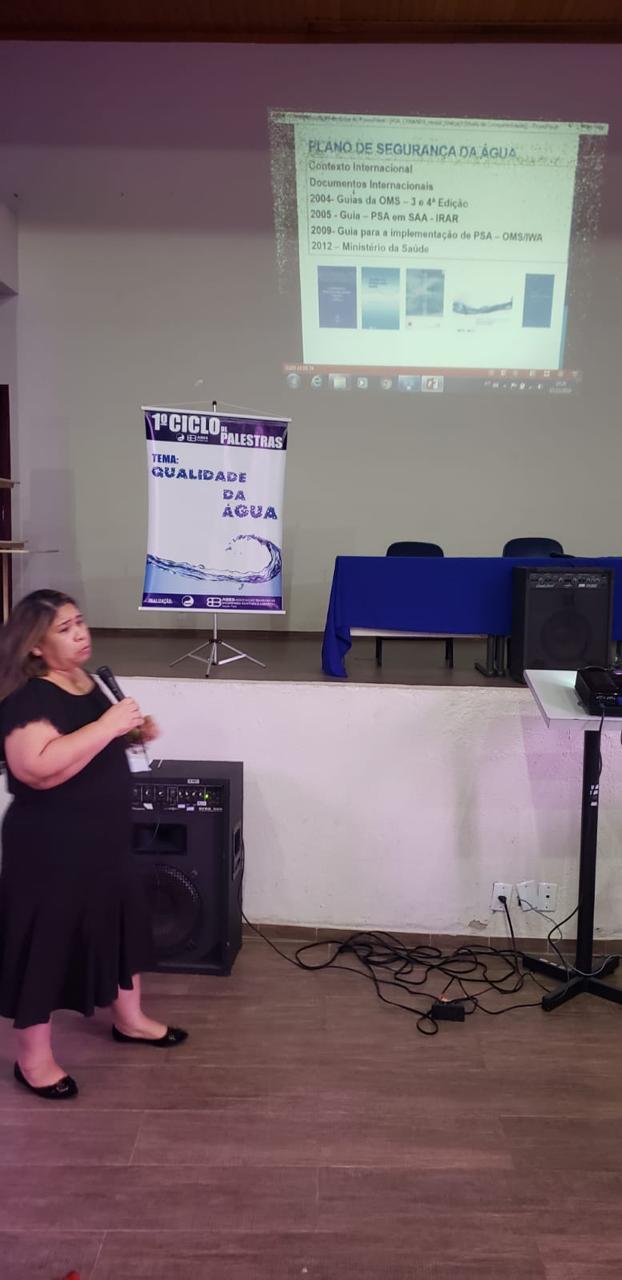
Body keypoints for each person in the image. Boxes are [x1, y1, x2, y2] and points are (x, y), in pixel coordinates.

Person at [0, 589, 187, 1101]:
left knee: (118, 923)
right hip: (49, 846)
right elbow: (35, 768)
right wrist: (108, 726)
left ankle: (130, 1019)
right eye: (65, 629)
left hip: (103, 837)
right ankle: (33, 1061)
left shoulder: (88, 681)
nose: (81, 634)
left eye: (80, 622)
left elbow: (88, 746)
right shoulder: (29, 697)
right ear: (35, 645)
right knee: (46, 943)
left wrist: (131, 733)